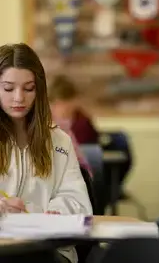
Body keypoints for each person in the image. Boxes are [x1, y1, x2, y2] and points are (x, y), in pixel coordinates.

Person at [0, 43, 92, 263]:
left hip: (47, 250)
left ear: (39, 90)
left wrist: (46, 213)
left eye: (28, 88)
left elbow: (78, 202)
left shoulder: (59, 140)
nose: (19, 98)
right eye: (8, 88)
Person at [48, 75, 99, 145]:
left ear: (74, 101)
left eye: (65, 103)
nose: (61, 108)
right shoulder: (43, 123)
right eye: (57, 104)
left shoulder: (83, 123)